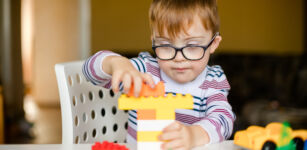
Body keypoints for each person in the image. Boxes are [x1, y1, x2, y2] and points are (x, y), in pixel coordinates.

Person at [82, 0, 235, 149]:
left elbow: (224, 119)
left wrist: (193, 135)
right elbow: (88, 71)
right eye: (165, 45)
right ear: (154, 41)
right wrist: (116, 63)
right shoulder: (144, 70)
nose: (179, 58)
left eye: (193, 46)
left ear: (213, 44)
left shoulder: (213, 80)